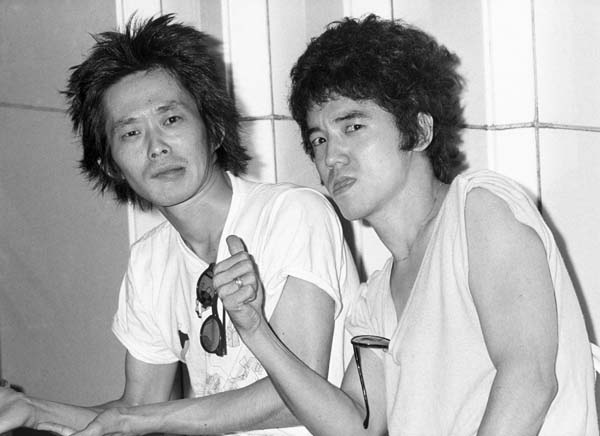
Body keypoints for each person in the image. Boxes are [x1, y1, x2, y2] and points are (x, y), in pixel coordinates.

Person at [217, 14, 599, 436]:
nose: (331, 157)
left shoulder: (479, 210)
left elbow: (530, 383)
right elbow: (356, 425)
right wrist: (256, 330)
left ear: (418, 130)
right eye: (319, 140)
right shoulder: (376, 297)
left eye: (353, 127)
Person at [0, 14, 359, 436]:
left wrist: (138, 420)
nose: (157, 147)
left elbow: (296, 399)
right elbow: (139, 408)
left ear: (215, 128)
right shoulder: (150, 260)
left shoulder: (293, 214)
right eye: (131, 133)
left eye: (171, 120)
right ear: (110, 165)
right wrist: (34, 411)